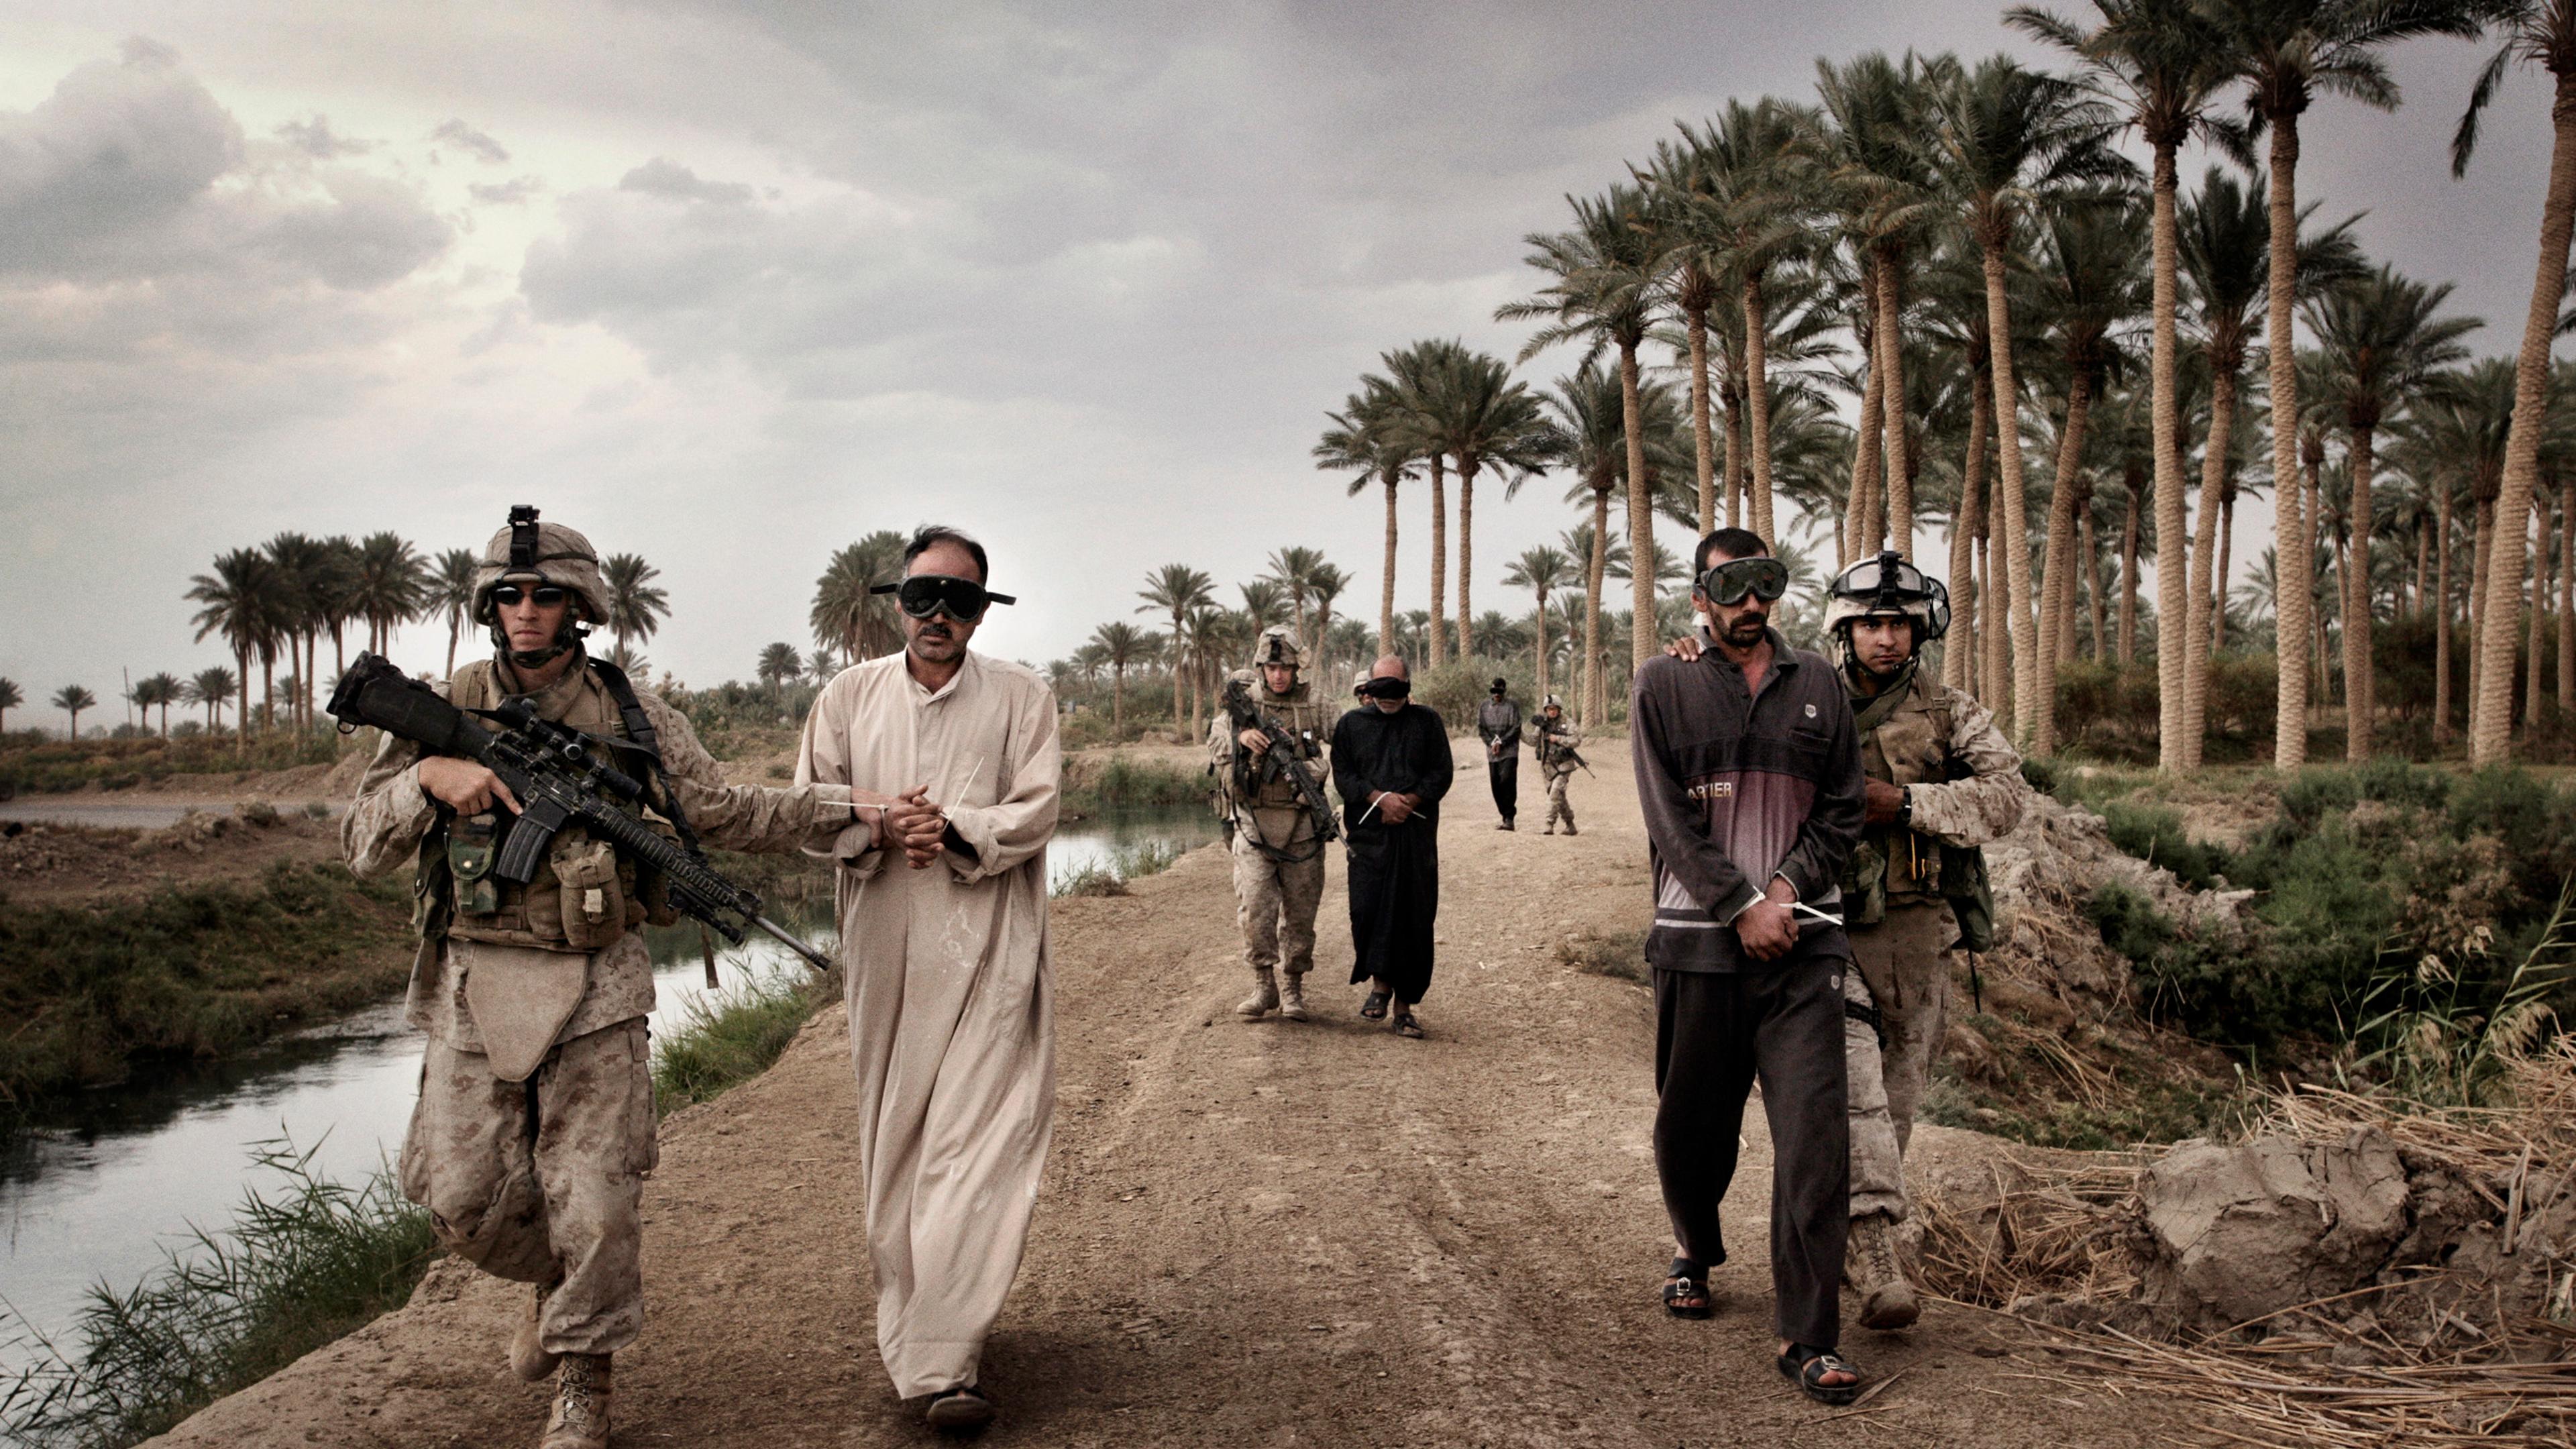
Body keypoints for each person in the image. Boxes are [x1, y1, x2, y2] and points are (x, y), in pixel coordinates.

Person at [343, 508, 865, 1449]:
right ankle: (557, 1288)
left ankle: (585, 1377)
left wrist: (848, 808)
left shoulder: (635, 715)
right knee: (459, 1204)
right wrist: (428, 781)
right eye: (510, 595)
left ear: (579, 605)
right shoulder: (442, 708)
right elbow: (359, 844)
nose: (526, 611)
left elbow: (721, 809)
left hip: (600, 988)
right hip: (473, 986)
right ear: (488, 607)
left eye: (546, 596)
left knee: (597, 1195)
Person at [795, 525, 1062, 1433]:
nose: (939, 614)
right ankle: (916, 1326)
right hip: (886, 952)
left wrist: (950, 829)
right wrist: (878, 822)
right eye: (923, 597)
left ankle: (948, 1365)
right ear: (897, 605)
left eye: (960, 599)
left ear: (982, 612)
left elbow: (1037, 810)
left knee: (976, 1142)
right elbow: (810, 810)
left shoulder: (1023, 697)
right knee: (899, 1142)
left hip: (992, 949)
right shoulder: (847, 698)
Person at [1629, 527, 1867, 1405]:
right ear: (1701, 598)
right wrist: (1738, 905)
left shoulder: (1821, 686)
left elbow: (1843, 807)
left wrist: (1784, 890)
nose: (1751, 602)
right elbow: (1667, 818)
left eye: (1765, 583)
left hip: (1804, 945)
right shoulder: (1663, 683)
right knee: (1691, 1130)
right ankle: (1694, 1246)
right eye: (1731, 587)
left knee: (1813, 1139)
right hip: (1697, 945)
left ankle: (1809, 1335)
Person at [1212, 626, 1336, 1021]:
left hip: (1303, 826)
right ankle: (1264, 985)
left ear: (1297, 668)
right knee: (1256, 909)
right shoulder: (1244, 703)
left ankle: (1293, 988)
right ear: (1261, 668)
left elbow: (1350, 735)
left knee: (1301, 913)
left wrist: (1320, 770)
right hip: (1254, 823)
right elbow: (1215, 742)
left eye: (1285, 668)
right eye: (1271, 668)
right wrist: (1241, 738)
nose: (1278, 676)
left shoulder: (1315, 703)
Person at [1330, 655, 1452, 1040]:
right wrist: (1378, 798)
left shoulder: (1427, 722)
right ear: (1368, 688)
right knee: (1367, 910)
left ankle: (1404, 1008)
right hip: (1369, 838)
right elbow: (1344, 775)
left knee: (1413, 917)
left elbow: (1441, 772)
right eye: (1380, 690)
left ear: (1408, 687)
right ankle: (1380, 985)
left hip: (1415, 838)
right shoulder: (1351, 725)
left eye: (1395, 690)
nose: (1387, 698)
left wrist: (1409, 801)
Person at [1531, 696, 1583, 836]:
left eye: (1554, 709)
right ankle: (1570, 824)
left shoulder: (1567, 722)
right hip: (1548, 766)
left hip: (1564, 764)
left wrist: (1558, 738)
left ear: (1559, 709)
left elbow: (1577, 740)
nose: (1552, 711)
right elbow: (1533, 740)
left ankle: (1549, 824)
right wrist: (1518, 733)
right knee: (1559, 796)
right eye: (1549, 709)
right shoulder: (1542, 724)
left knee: (1555, 793)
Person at [1477, 677, 1522, 830]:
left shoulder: (1512, 706)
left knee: (1507, 781)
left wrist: (1502, 742)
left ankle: (1510, 818)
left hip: (1510, 751)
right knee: (1496, 785)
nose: (1497, 694)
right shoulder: (1484, 707)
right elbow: (1481, 728)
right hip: (1493, 753)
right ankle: (1504, 816)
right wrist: (1492, 743)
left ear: (1504, 691)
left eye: (1499, 691)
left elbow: (1516, 727)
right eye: (1494, 691)